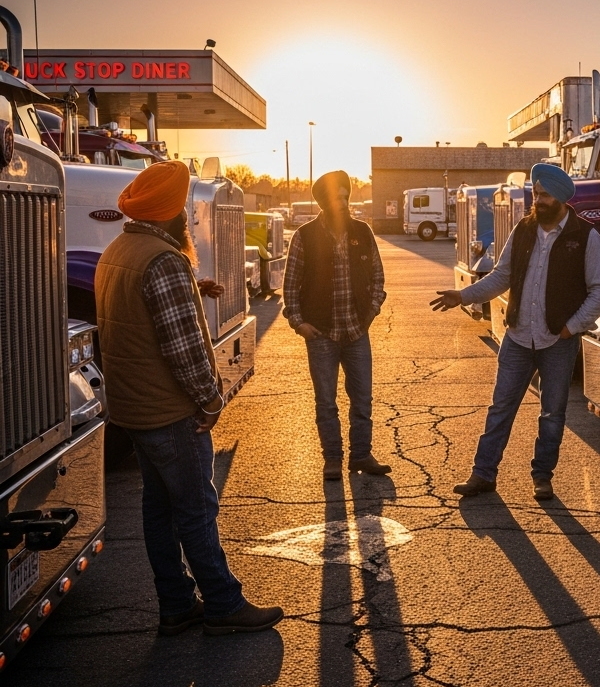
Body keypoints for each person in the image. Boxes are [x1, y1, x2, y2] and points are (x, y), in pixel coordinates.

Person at [95, 160, 282, 636]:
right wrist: (211, 401)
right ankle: (223, 602)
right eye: (182, 211)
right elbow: (183, 350)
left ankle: (176, 604)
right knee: (197, 509)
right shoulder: (165, 261)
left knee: (158, 510)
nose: (187, 219)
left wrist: (193, 287)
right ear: (169, 214)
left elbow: (137, 310)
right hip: (170, 413)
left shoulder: (117, 250)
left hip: (134, 411)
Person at [431, 164, 600, 500]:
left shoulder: (586, 237)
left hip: (558, 341)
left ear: (558, 198)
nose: (536, 200)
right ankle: (482, 475)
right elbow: (501, 276)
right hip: (517, 338)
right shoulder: (523, 229)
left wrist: (572, 328)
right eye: (535, 193)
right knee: (501, 408)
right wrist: (463, 296)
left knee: (552, 413)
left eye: (543, 195)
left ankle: (542, 477)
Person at [283, 169, 390, 480]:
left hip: (357, 331)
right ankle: (332, 459)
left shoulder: (363, 232)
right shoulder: (304, 236)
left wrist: (370, 313)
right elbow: (290, 286)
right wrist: (298, 322)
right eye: (337, 198)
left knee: (363, 398)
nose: (343, 202)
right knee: (325, 401)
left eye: (346, 196)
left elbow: (377, 277)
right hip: (321, 334)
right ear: (324, 202)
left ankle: (361, 455)